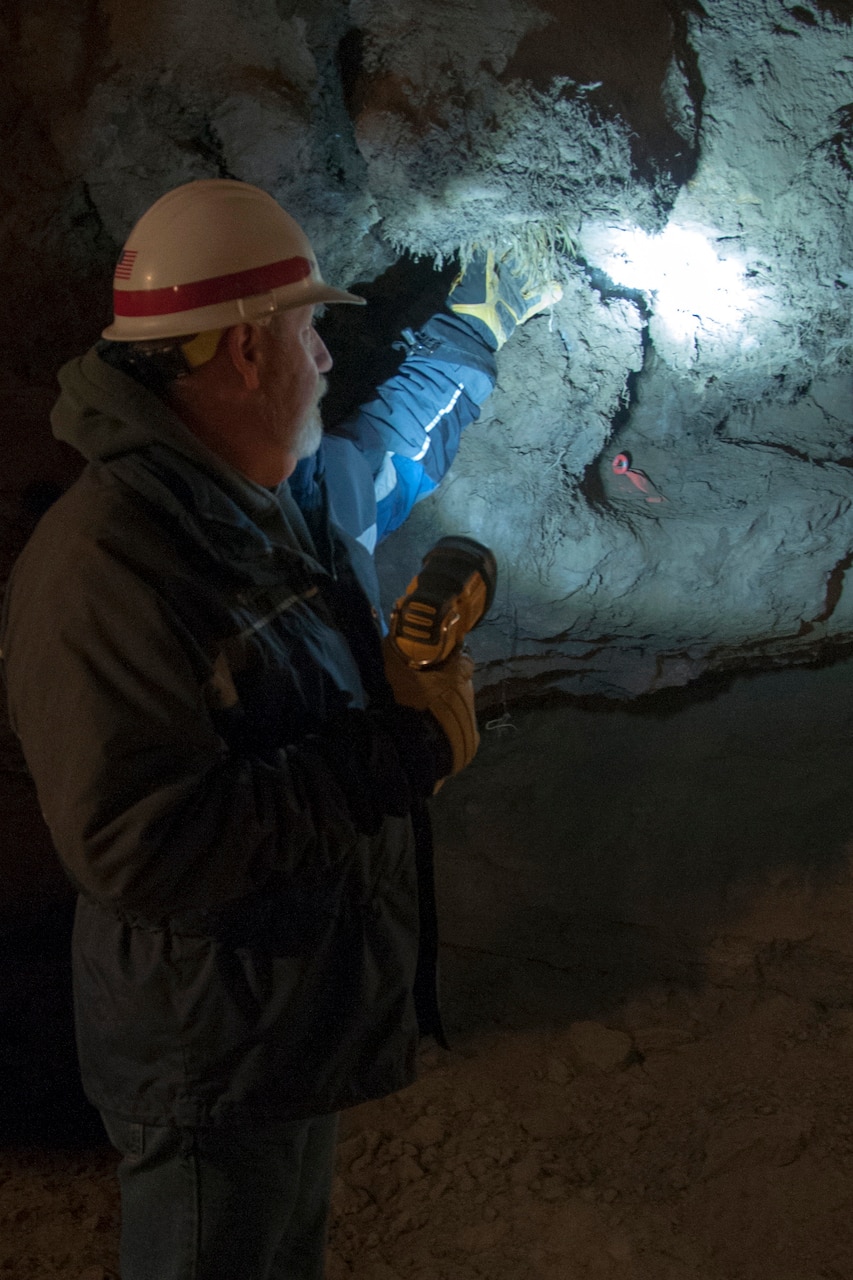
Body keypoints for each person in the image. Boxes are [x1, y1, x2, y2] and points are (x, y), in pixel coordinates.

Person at [0, 179, 559, 1280]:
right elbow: (142, 843)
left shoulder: (265, 498)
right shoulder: (108, 567)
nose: (326, 355)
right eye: (311, 330)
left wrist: (474, 329)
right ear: (246, 352)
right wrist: (391, 751)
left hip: (285, 1017)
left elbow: (384, 456)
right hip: (207, 1048)